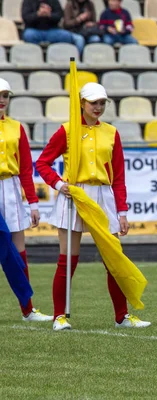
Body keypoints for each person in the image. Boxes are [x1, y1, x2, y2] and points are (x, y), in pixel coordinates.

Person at [35, 83, 151, 331]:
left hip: (104, 195)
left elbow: (118, 176)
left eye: (102, 103)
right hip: (74, 194)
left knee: (113, 259)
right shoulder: (67, 131)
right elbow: (43, 163)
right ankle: (59, 316)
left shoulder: (111, 132)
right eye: (93, 103)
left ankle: (122, 316)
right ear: (81, 103)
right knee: (68, 260)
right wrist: (58, 184)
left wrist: (122, 212)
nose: (98, 107)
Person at [0, 78, 52, 323]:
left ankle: (27, 309)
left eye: (5, 95)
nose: (2, 100)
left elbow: (24, 169)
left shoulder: (17, 128)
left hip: (10, 189)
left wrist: (33, 203)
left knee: (19, 250)